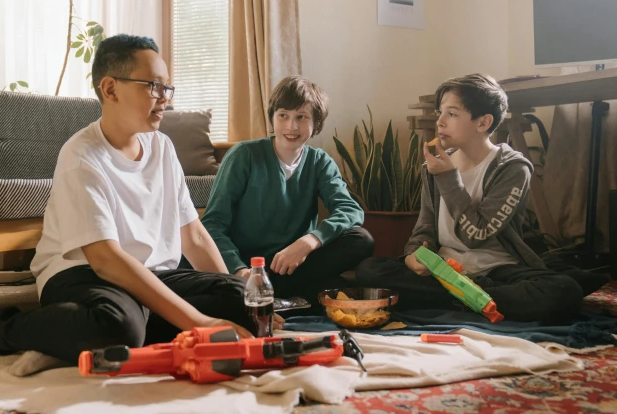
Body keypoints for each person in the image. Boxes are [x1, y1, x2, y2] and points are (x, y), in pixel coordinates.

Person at [0, 34, 258, 371]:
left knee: (244, 300)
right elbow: (105, 260)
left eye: (166, 86)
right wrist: (201, 322)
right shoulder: (81, 155)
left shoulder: (162, 147)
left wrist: (231, 300)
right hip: (82, 274)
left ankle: (67, 343)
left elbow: (192, 237)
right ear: (110, 88)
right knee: (120, 327)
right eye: (152, 85)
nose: (164, 96)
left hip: (150, 275)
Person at [354, 73, 585, 323]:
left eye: (452, 114)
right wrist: (413, 256)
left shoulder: (512, 169)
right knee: (369, 269)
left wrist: (449, 179)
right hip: (444, 271)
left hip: (496, 271)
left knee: (563, 290)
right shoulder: (433, 167)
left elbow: (475, 236)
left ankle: (457, 298)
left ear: (483, 122)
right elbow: (424, 228)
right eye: (440, 112)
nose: (440, 122)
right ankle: (473, 300)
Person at [202, 75, 374, 313]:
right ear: (272, 117)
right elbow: (213, 224)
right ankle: (289, 296)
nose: (291, 126)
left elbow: (350, 210)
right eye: (283, 115)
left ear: (316, 124)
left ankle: (282, 297)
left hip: (295, 263)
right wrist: (240, 270)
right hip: (250, 267)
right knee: (332, 289)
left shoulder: (320, 162)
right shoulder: (244, 155)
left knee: (361, 239)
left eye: (301, 117)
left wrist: (309, 241)